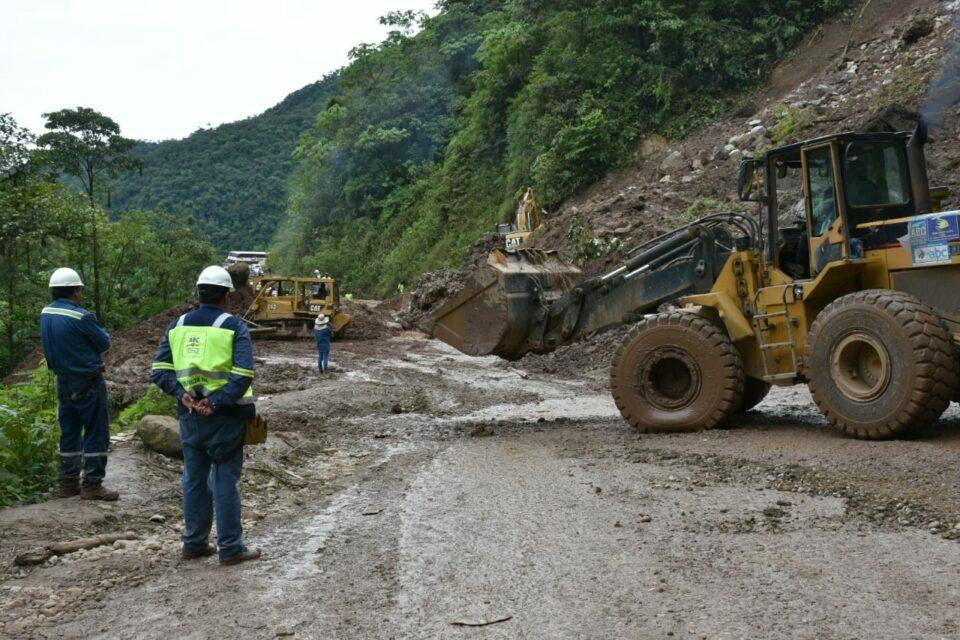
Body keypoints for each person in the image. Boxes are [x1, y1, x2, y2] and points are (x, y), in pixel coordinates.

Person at [150, 266, 260, 565]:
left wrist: (181, 394)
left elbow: (159, 370)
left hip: (190, 416)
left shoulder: (177, 325)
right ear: (227, 295)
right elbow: (243, 373)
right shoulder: (233, 327)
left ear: (199, 293)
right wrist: (217, 401)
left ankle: (195, 542)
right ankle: (231, 547)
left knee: (195, 479)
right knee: (225, 478)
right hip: (225, 417)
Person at [40, 268, 119, 501]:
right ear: (75, 290)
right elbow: (104, 343)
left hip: (62, 380)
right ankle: (92, 484)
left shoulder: (46, 313)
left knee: (69, 432)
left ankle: (67, 483)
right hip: (87, 380)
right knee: (96, 431)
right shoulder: (81, 316)